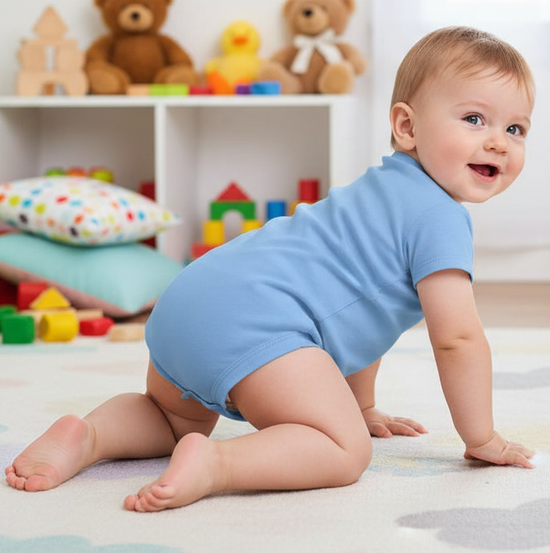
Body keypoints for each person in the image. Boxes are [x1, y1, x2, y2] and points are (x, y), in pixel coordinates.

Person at [6, 26, 536, 512]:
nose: (498, 142)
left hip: (189, 299)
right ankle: (218, 465)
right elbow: (458, 339)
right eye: (474, 119)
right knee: (341, 448)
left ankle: (89, 436)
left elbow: (363, 313)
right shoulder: (441, 218)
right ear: (406, 125)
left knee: (170, 416)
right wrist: (481, 438)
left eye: (516, 129)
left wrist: (362, 404)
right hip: (255, 324)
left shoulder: (380, 187)